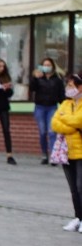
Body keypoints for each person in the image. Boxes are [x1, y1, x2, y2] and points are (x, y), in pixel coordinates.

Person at [51, 72, 82, 232]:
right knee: (73, 189)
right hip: (66, 151)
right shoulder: (65, 104)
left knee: (80, 186)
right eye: (68, 85)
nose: (68, 88)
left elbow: (79, 120)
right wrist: (70, 125)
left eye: (71, 85)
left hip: (80, 152)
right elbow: (55, 122)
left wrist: (66, 120)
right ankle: (78, 217)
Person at [30, 57, 64, 165]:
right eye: (45, 65)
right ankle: (44, 154)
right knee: (42, 132)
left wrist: (64, 107)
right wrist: (35, 78)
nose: (47, 67)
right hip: (40, 107)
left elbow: (61, 95)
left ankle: (54, 156)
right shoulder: (39, 78)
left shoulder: (57, 80)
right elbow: (32, 88)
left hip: (52, 107)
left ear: (53, 66)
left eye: (49, 65)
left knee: (52, 132)